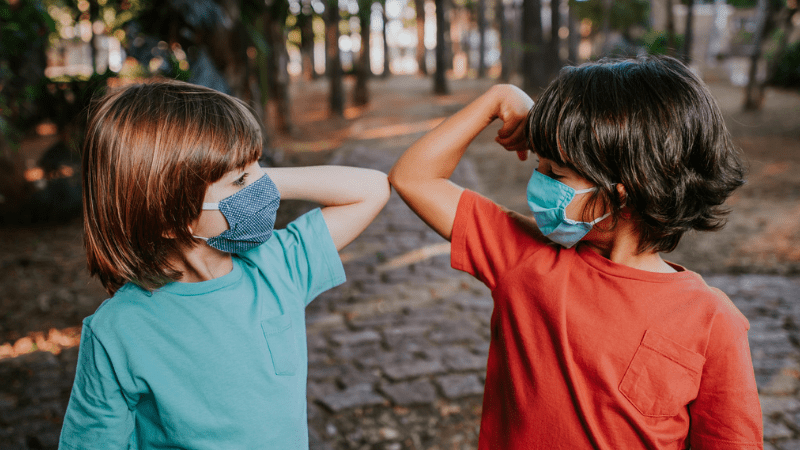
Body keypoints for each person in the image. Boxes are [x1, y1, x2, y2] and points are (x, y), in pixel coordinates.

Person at [389, 55, 763, 449]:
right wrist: (497, 98)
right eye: (540, 165)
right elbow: (413, 176)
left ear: (626, 190)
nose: (539, 183)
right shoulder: (523, 257)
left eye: (556, 173)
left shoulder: (713, 322)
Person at [59, 79, 390, 449]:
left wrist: (252, 174)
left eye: (258, 170)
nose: (261, 189)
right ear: (169, 216)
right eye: (242, 180)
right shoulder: (117, 331)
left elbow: (373, 188)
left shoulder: (278, 264)